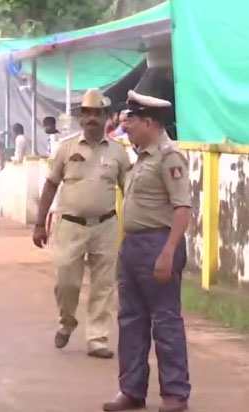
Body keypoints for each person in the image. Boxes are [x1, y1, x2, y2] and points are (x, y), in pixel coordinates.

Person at [102, 90, 191, 412]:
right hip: (134, 244)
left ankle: (175, 395)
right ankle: (131, 390)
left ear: (150, 122)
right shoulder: (142, 156)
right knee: (131, 321)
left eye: (133, 122)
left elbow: (182, 208)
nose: (128, 128)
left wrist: (168, 253)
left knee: (165, 322)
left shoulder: (169, 157)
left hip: (158, 242)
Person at [32, 89, 130, 359]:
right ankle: (67, 321)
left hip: (106, 225)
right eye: (87, 113)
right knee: (66, 282)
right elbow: (51, 185)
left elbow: (129, 189)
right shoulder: (67, 148)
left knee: (103, 285)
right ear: (81, 117)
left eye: (97, 113)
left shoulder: (119, 153)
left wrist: (135, 227)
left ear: (105, 117)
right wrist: (40, 223)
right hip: (70, 225)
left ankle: (97, 338)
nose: (92, 118)